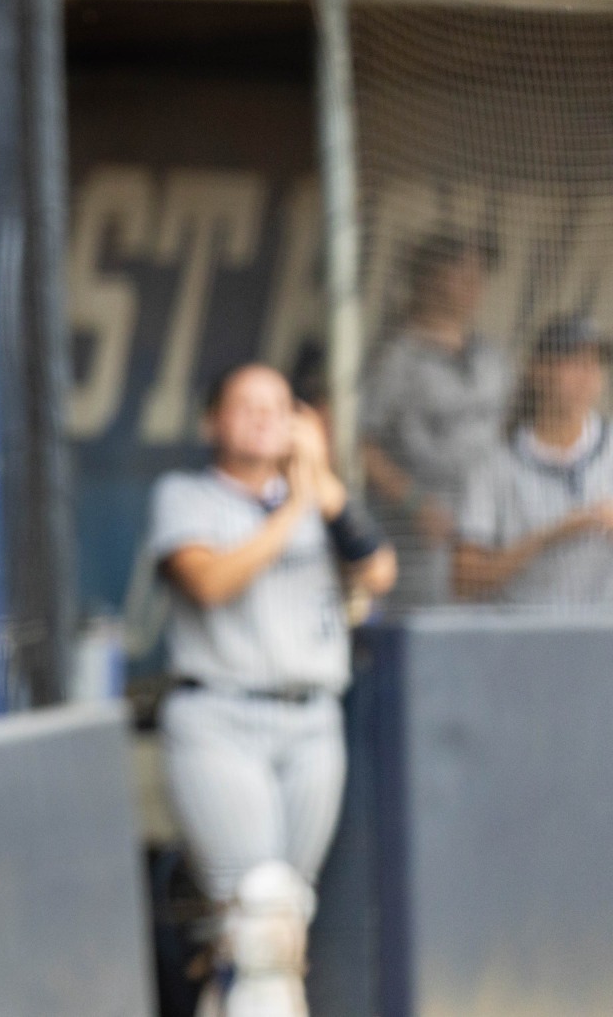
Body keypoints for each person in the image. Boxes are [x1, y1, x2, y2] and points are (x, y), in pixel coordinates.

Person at [144, 363, 396, 1017]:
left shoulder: (321, 499)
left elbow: (380, 569)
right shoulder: (187, 494)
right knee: (260, 911)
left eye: (280, 407)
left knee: (281, 922)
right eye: (247, 405)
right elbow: (211, 581)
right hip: (221, 717)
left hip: (312, 719)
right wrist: (295, 505)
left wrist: (323, 485)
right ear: (213, 421)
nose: (265, 418)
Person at [360, 233, 510, 609]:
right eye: (461, 271)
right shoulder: (396, 357)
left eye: (478, 273)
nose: (474, 283)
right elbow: (359, 445)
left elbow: (505, 436)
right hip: (418, 534)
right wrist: (415, 503)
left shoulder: (491, 357)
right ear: (430, 277)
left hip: (484, 531)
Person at [454, 315, 613, 606]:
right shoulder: (496, 464)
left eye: (595, 362)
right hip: (526, 637)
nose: (587, 374)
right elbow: (465, 580)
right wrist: (553, 534)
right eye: (573, 361)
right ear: (538, 370)